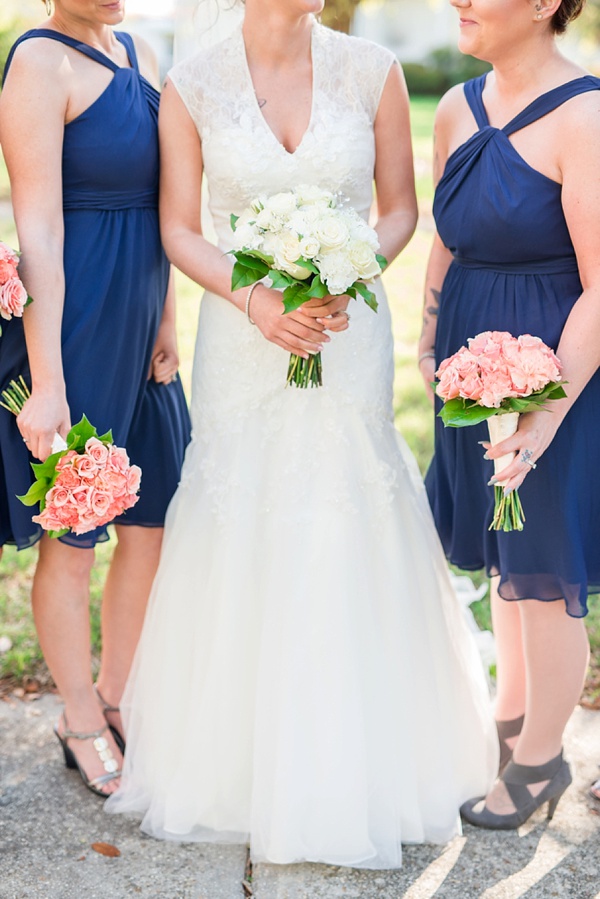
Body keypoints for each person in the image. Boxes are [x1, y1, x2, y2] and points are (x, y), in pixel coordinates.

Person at [106, 0, 498, 868]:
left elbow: (400, 209)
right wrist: (257, 300)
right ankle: (233, 768)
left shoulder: (373, 72)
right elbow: (179, 227)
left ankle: (361, 760)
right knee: (244, 506)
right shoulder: (191, 83)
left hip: (344, 330)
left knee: (343, 507)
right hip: (243, 347)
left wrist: (348, 267)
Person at [0, 0, 191, 796]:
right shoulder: (37, 62)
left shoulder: (140, 49)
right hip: (74, 329)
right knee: (73, 536)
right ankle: (77, 714)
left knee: (151, 522)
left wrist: (168, 319)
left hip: (143, 326)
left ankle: (115, 694)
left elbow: (166, 208)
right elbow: (37, 229)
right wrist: (47, 382)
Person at [420, 0, 600, 828]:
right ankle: (512, 716)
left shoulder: (587, 114)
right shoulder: (458, 107)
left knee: (544, 567)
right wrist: (428, 340)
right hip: (468, 367)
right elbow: (446, 239)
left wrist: (545, 416)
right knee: (503, 558)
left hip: (555, 370)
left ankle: (540, 763)